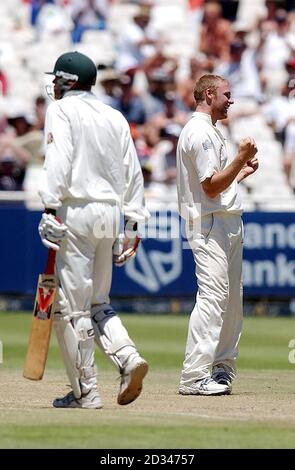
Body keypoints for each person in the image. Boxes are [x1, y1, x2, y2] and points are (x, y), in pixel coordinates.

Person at [38, 51, 149, 409]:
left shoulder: (61, 110)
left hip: (76, 210)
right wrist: (133, 222)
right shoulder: (113, 115)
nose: (52, 85)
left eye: (56, 79)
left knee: (72, 309)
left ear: (67, 81)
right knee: (99, 303)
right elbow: (133, 170)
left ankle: (86, 393)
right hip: (110, 214)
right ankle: (128, 358)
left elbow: (59, 158)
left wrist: (51, 207)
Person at [176, 74, 258, 396]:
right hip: (209, 224)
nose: (231, 100)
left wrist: (239, 171)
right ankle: (194, 376)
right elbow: (209, 186)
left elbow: (216, 185)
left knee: (231, 301)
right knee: (213, 298)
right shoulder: (199, 132)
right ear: (209, 94)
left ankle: (222, 369)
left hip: (225, 220)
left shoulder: (211, 130)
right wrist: (239, 158)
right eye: (227, 94)